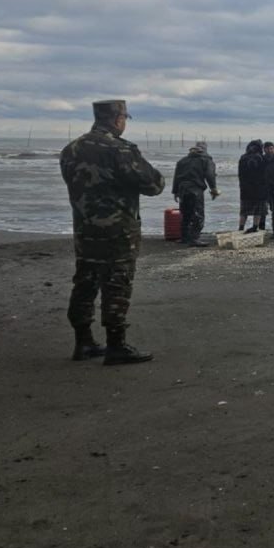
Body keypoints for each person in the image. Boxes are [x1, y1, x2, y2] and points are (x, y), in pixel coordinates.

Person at [59, 99, 164, 365]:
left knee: (85, 280)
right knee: (117, 281)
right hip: (118, 229)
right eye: (125, 118)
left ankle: (83, 342)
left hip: (84, 228)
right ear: (118, 119)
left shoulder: (71, 149)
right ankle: (116, 344)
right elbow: (153, 185)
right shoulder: (120, 149)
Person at [172, 141, 219, 246]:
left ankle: (184, 238)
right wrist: (213, 189)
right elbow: (210, 175)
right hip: (195, 190)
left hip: (182, 189)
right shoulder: (206, 160)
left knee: (185, 214)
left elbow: (176, 177)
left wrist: (175, 192)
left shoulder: (182, 161)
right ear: (205, 150)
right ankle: (194, 238)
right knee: (198, 214)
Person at [237, 139, 267, 232]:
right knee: (258, 211)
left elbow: (240, 174)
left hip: (245, 189)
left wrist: (241, 185)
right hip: (259, 189)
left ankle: (241, 228)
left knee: (244, 211)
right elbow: (264, 174)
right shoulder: (261, 158)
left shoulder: (243, 157)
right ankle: (255, 227)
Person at [258, 142, 274, 231]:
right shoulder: (261, 159)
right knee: (262, 210)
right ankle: (261, 228)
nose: (270, 150)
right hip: (263, 188)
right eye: (268, 149)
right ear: (264, 149)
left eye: (271, 148)